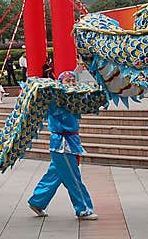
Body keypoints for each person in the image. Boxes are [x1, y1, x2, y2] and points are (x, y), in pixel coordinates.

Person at [27, 71, 98, 220]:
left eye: (73, 80)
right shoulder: (56, 100)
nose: (71, 83)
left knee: (55, 174)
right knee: (73, 177)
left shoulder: (73, 100)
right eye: (67, 81)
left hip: (71, 142)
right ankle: (83, 209)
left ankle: (37, 201)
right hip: (62, 144)